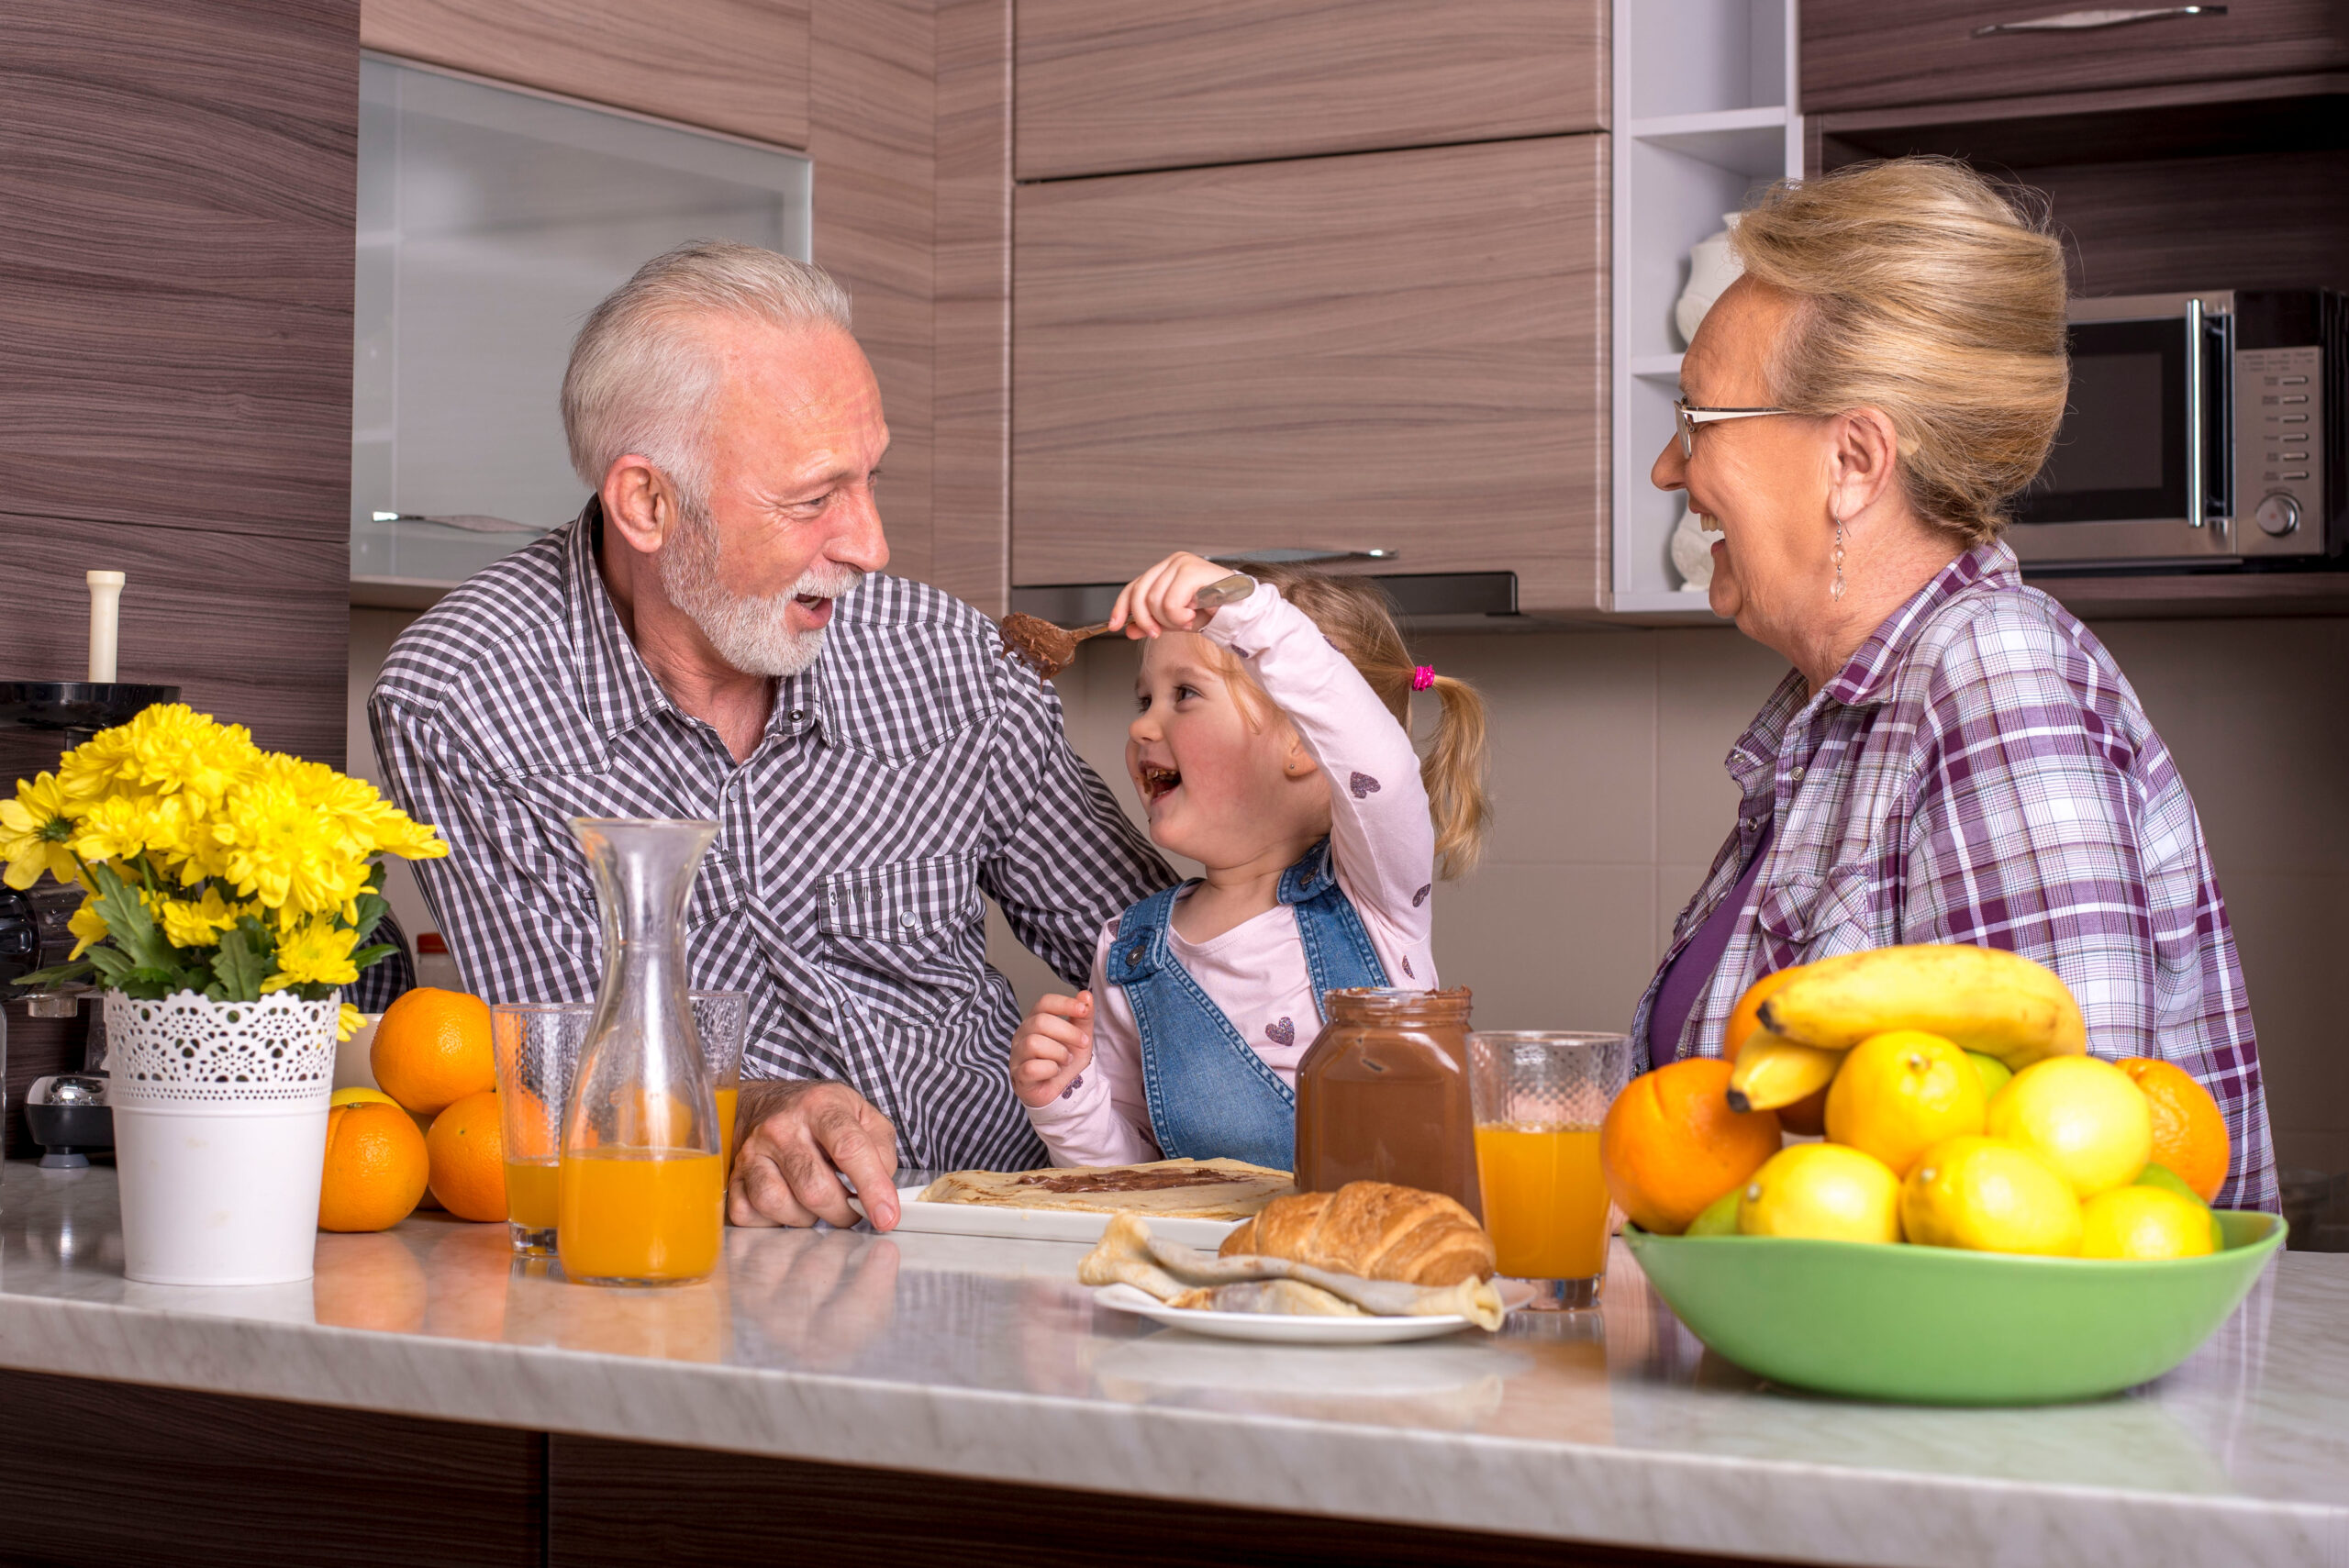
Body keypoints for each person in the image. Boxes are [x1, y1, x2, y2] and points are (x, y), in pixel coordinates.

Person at [370, 242, 1170, 1229]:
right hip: (694, 1248)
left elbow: (1161, 958)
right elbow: (572, 1062)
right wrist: (762, 1110)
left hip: (1002, 1226)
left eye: (870, 478)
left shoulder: (948, 658)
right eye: (812, 498)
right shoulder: (466, 694)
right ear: (646, 502)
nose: (870, 547)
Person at [1632, 158, 2276, 1211]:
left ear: (1852, 459)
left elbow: (2055, 1189)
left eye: (1699, 421)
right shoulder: (1846, 715)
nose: (1668, 467)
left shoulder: (1996, 687)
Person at [1008, 550, 1490, 1168]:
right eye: (1143, 699)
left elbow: (1380, 762)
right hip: (1223, 1260)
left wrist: (1248, 615)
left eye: (1183, 694)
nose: (1142, 726)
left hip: (1393, 1253)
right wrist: (1068, 1102)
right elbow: (1135, 1176)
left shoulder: (1372, 894)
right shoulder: (1130, 951)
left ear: (1303, 740)